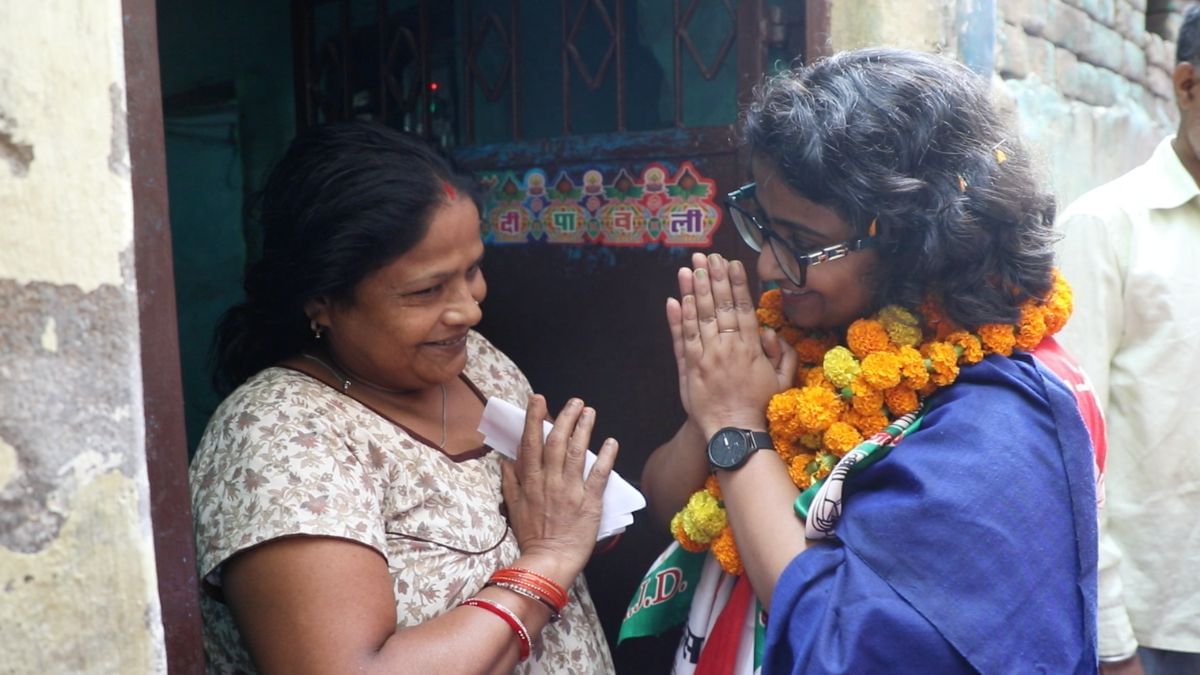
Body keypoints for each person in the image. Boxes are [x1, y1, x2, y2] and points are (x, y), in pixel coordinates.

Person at [633, 48, 1099, 673]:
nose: (769, 267)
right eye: (765, 229)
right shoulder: (822, 337)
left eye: (802, 243)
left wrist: (738, 430)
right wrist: (713, 410)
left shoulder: (999, 422)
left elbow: (838, 635)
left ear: (914, 239)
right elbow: (669, 506)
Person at [189, 121, 617, 674]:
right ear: (320, 297)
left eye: (473, 270)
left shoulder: (477, 364)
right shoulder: (278, 435)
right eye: (427, 290)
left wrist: (580, 518)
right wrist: (550, 560)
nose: (469, 309)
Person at [1055, 4, 1200, 674]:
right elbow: (1074, 445)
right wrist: (1112, 640)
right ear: (1186, 85)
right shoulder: (1104, 227)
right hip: (1157, 626)